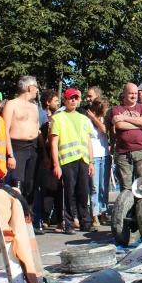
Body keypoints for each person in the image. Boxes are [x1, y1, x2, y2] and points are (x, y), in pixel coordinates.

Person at [50, 88, 95, 234]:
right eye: (70, 98)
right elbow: (53, 143)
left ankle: (85, 222)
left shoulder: (84, 119)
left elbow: (88, 142)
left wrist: (91, 162)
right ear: (65, 100)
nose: (73, 100)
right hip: (67, 161)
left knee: (83, 192)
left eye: (76, 98)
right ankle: (68, 224)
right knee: (68, 193)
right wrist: (56, 164)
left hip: (83, 160)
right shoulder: (58, 118)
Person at [2, 76, 40, 209]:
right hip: (17, 147)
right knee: (18, 183)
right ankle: (16, 215)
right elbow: (4, 130)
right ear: (30, 88)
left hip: (33, 147)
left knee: (31, 184)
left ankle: (28, 216)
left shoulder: (34, 107)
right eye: (36, 87)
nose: (37, 90)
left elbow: (37, 128)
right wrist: (10, 154)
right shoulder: (11, 104)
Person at [107, 83, 142, 192]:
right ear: (124, 94)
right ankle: (127, 209)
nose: (134, 96)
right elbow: (119, 125)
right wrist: (140, 125)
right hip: (123, 154)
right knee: (126, 189)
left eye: (136, 93)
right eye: (131, 93)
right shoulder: (116, 109)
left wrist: (123, 117)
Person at [36, 89, 60, 233]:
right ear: (47, 102)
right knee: (44, 187)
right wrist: (45, 156)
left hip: (55, 156)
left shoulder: (58, 117)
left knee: (54, 187)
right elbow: (41, 137)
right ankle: (43, 218)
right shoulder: (41, 116)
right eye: (55, 100)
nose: (58, 103)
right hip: (44, 157)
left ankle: (54, 217)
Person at [87, 97, 111, 227]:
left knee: (104, 187)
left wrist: (94, 118)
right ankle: (94, 214)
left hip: (105, 155)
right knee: (95, 187)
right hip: (94, 156)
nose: (107, 111)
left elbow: (104, 130)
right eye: (105, 108)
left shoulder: (102, 119)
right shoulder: (87, 120)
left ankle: (103, 212)